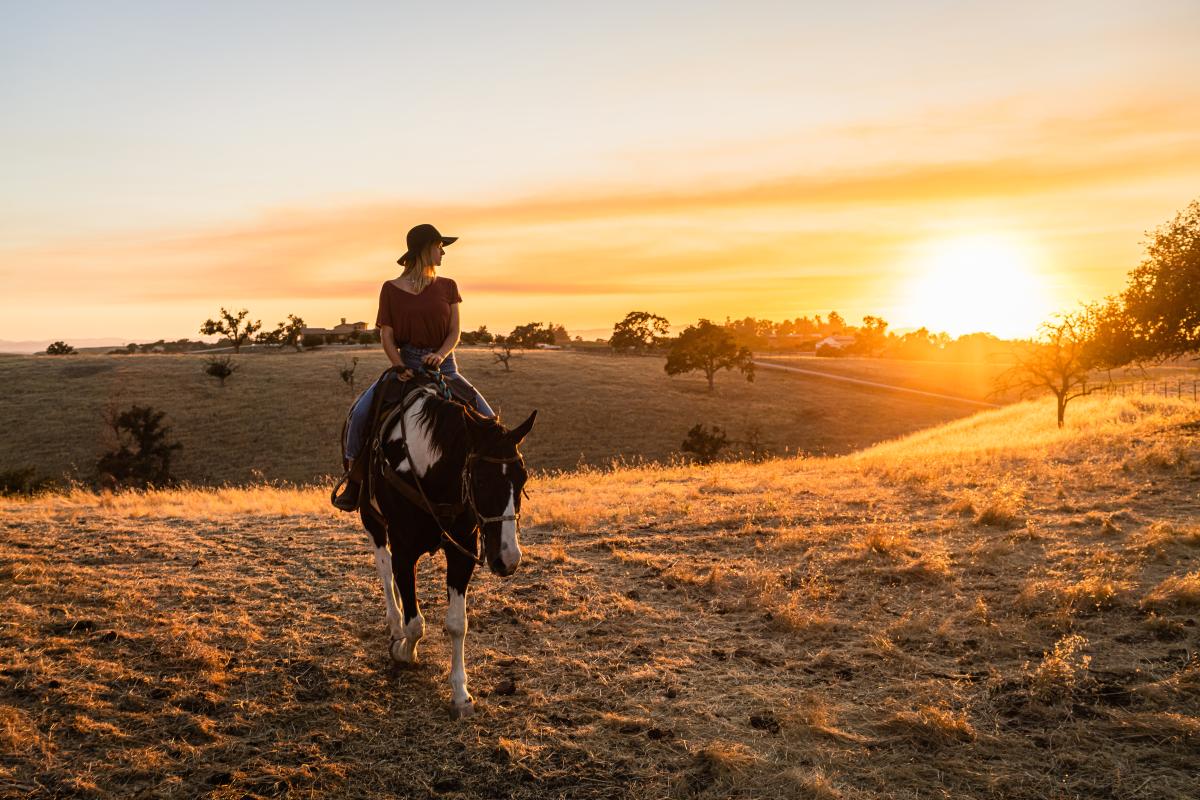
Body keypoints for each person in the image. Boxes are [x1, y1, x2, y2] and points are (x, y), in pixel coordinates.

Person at [332, 223, 495, 511]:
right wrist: (398, 366)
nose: (442, 252)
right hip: (406, 364)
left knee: (489, 420)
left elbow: (455, 331)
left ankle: (496, 488)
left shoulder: (448, 286)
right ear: (425, 249)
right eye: (439, 246)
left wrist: (441, 356)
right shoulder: (391, 289)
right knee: (359, 415)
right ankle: (354, 483)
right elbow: (387, 335)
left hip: (445, 368)